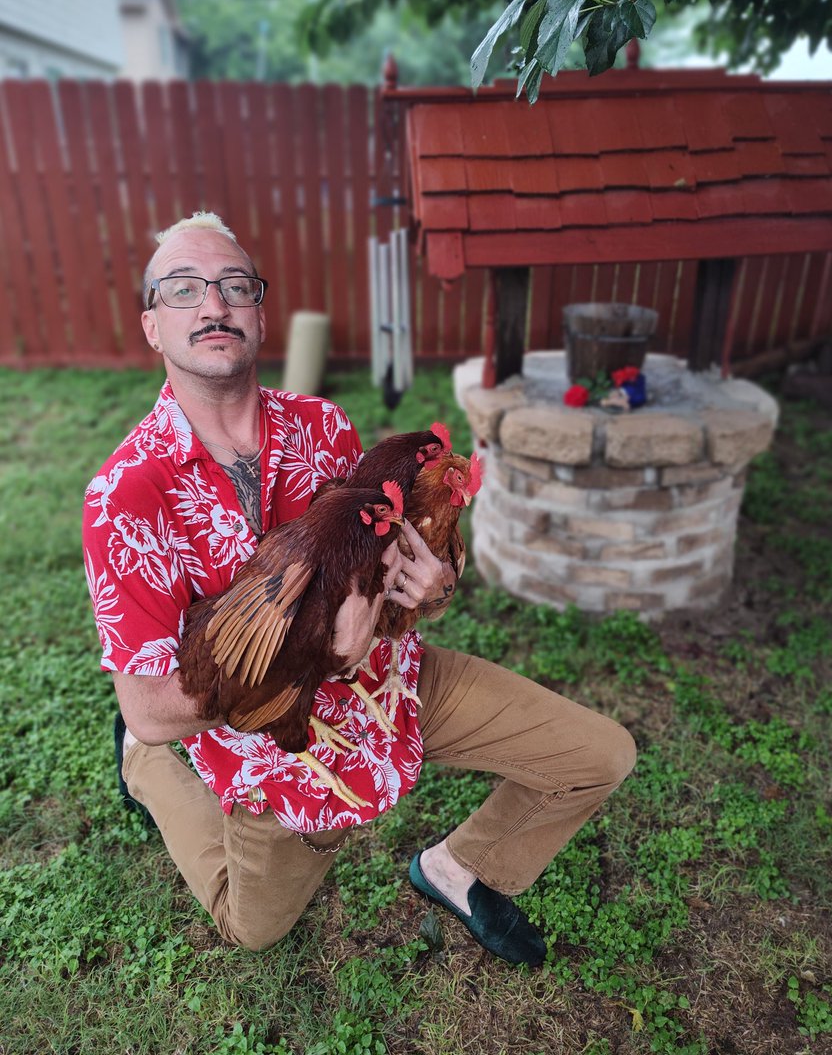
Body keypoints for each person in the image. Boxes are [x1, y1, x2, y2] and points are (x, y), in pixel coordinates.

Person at [83, 211, 636, 966]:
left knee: (598, 756)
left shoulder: (323, 427)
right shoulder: (126, 497)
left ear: (259, 314)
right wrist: (315, 659)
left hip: (397, 690)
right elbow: (150, 709)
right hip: (275, 749)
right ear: (153, 325)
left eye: (232, 286)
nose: (212, 305)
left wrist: (433, 585)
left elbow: (402, 570)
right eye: (184, 289)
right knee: (253, 928)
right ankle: (143, 777)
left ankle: (458, 869)